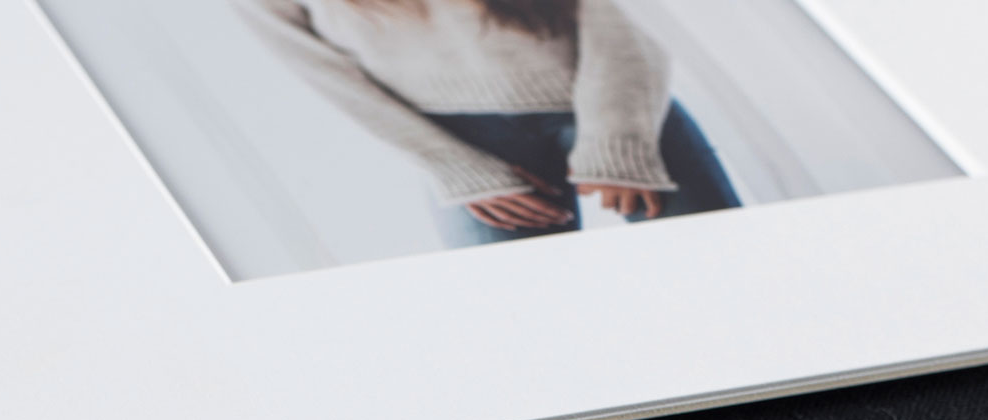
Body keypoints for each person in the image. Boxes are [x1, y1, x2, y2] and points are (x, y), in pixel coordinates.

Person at [233, 0, 739, 246]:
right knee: (530, 322)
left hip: (615, 102)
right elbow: (326, 78)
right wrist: (457, 170)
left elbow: (620, 19)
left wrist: (617, 138)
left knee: (720, 264)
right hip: (460, 144)